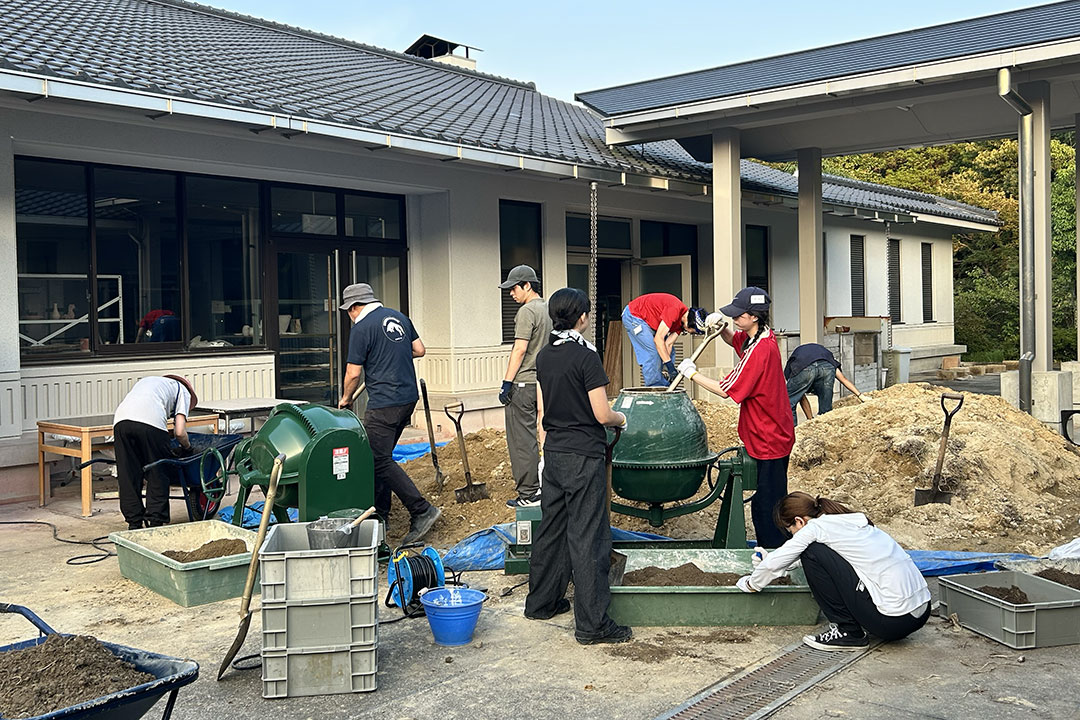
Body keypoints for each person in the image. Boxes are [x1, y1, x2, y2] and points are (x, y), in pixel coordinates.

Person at [525, 287, 632, 645]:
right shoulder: (587, 357)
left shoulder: (544, 356)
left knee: (551, 530)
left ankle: (541, 603)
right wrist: (621, 419)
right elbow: (601, 413)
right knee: (588, 537)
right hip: (584, 455)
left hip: (554, 453)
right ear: (583, 317)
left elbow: (542, 410)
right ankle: (592, 625)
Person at [735, 492, 931, 651]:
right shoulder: (849, 521)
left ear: (799, 521)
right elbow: (830, 562)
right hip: (921, 612)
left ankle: (848, 632)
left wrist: (751, 583)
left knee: (811, 552)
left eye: (790, 530)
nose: (791, 535)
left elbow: (776, 564)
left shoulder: (815, 528)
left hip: (893, 622)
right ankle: (854, 627)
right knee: (812, 553)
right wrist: (774, 561)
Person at [676, 287, 794, 548]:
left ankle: (775, 553)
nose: (734, 319)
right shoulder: (759, 336)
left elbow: (725, 389)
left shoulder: (760, 350)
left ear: (754, 316)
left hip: (770, 436)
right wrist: (722, 329)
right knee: (769, 501)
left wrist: (692, 374)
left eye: (738, 316)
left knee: (768, 507)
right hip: (768, 431)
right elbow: (736, 341)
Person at [337, 282, 441, 546]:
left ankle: (421, 510)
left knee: (377, 458)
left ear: (354, 307)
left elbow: (353, 373)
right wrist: (391, 356)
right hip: (407, 399)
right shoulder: (399, 317)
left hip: (385, 403)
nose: (349, 316)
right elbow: (419, 350)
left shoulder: (362, 327)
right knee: (380, 456)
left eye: (348, 311)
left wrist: (346, 399)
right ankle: (380, 513)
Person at [497, 265, 552, 508]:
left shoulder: (527, 311)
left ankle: (529, 492)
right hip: (546, 382)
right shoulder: (550, 308)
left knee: (522, 439)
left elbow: (520, 349)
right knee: (547, 432)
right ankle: (548, 485)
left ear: (527, 285)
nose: (511, 294)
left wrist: (507, 383)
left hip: (524, 383)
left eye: (514, 288)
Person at [112, 375, 197, 530]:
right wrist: (187, 447)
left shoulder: (149, 382)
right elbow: (179, 432)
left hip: (120, 422)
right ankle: (155, 521)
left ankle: (134, 523)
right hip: (150, 423)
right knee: (158, 471)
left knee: (128, 473)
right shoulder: (183, 390)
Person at [622, 293, 708, 387]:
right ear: (691, 323)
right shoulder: (674, 310)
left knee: (669, 352)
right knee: (652, 353)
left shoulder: (681, 324)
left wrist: (668, 368)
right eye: (693, 331)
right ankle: (655, 388)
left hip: (648, 320)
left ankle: (665, 380)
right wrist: (670, 366)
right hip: (634, 315)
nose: (690, 333)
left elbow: (668, 344)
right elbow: (658, 339)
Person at [785, 343, 868, 426]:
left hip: (804, 366)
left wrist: (810, 419)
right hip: (826, 367)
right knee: (826, 409)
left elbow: (801, 398)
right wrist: (861, 396)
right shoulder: (830, 362)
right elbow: (843, 379)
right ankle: (824, 427)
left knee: (789, 402)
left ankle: (791, 431)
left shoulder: (794, 369)